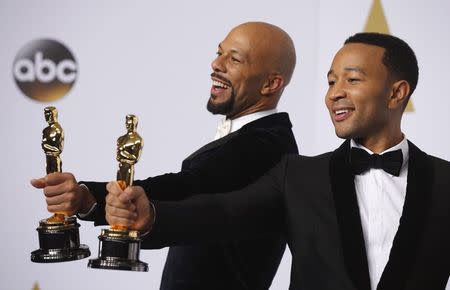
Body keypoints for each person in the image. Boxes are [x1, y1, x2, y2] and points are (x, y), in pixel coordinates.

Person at [105, 32, 450, 290]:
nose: (335, 92)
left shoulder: (444, 182)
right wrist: (150, 216)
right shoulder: (298, 176)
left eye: (353, 79)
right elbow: (222, 213)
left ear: (396, 92)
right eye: (331, 81)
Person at [31, 22, 298, 290]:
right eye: (219, 52)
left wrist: (92, 199)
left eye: (235, 58)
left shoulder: (265, 146)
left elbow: (186, 187)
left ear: (270, 84)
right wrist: (89, 199)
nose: (217, 63)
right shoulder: (257, 138)